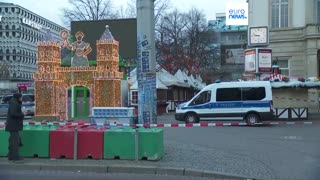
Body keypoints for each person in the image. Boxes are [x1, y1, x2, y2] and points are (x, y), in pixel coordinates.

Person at [5, 93, 24, 162]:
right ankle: (15, 157)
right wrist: (22, 114)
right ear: (18, 97)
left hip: (13, 125)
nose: (22, 99)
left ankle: (11, 156)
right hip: (13, 126)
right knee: (15, 142)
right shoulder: (14, 103)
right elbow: (13, 113)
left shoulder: (14, 102)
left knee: (12, 141)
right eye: (21, 97)